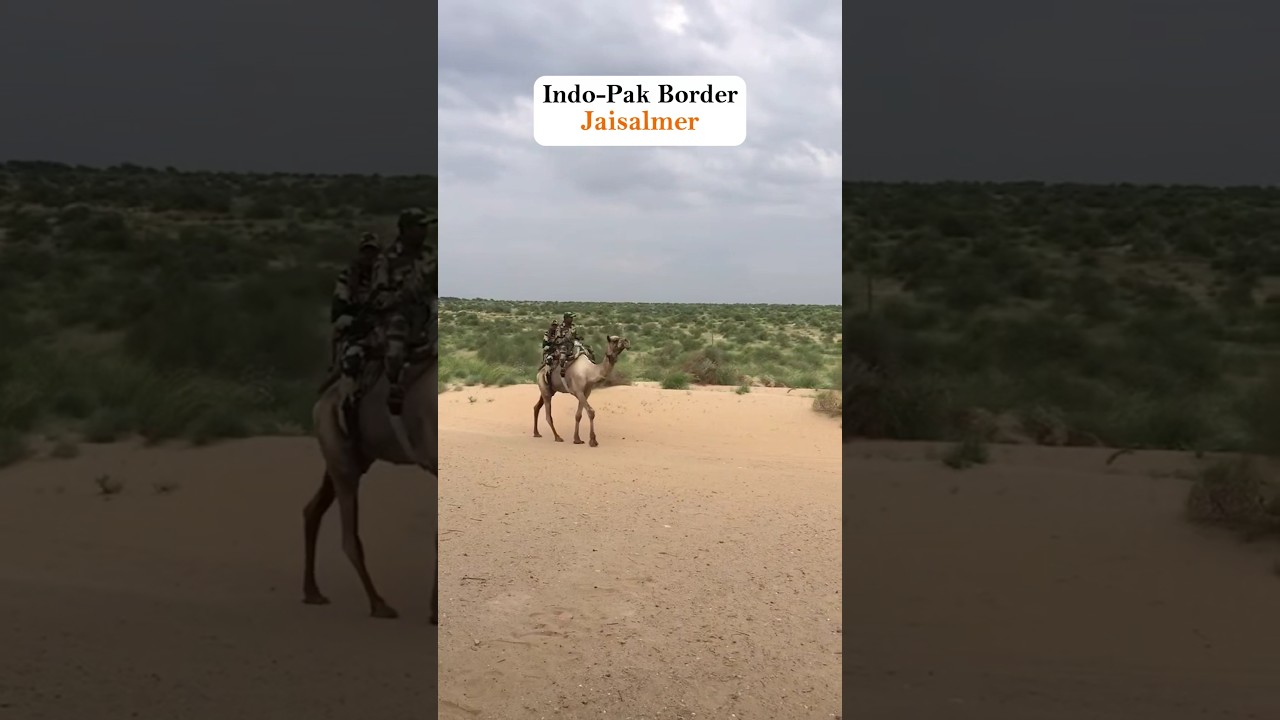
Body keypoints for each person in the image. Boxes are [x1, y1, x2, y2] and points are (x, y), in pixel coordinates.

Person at [372, 207, 438, 414]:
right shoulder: (387, 259)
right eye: (419, 227)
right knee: (394, 349)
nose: (424, 231)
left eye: (425, 227)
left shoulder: (430, 255)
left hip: (428, 310)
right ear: (406, 229)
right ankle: (395, 388)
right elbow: (379, 298)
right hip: (400, 314)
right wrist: (404, 294)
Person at [331, 233, 383, 428]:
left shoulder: (388, 276)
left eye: (374, 253)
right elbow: (338, 310)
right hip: (359, 331)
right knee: (352, 361)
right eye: (366, 252)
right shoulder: (347, 277)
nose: (370, 257)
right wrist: (355, 320)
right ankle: (348, 409)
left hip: (386, 327)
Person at [554, 311, 579, 377]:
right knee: (562, 357)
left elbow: (575, 336)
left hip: (573, 344)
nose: (572, 319)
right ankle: (562, 370)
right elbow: (557, 340)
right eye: (570, 318)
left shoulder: (573, 326)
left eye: (572, 318)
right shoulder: (560, 328)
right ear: (565, 318)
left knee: (588, 350)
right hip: (564, 345)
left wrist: (578, 337)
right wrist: (565, 339)